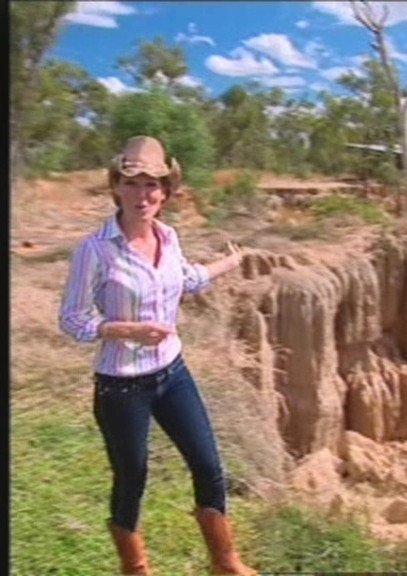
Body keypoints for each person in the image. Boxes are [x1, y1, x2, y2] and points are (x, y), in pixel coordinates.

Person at [59, 136, 257, 575]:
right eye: (132, 183)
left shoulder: (169, 237)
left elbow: (186, 279)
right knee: (132, 477)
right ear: (116, 188)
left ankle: (225, 562)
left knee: (208, 464)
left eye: (152, 184)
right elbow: (72, 319)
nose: (142, 194)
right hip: (121, 386)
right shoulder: (94, 250)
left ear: (166, 192)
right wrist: (123, 330)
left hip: (173, 373)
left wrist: (229, 263)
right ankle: (136, 568)